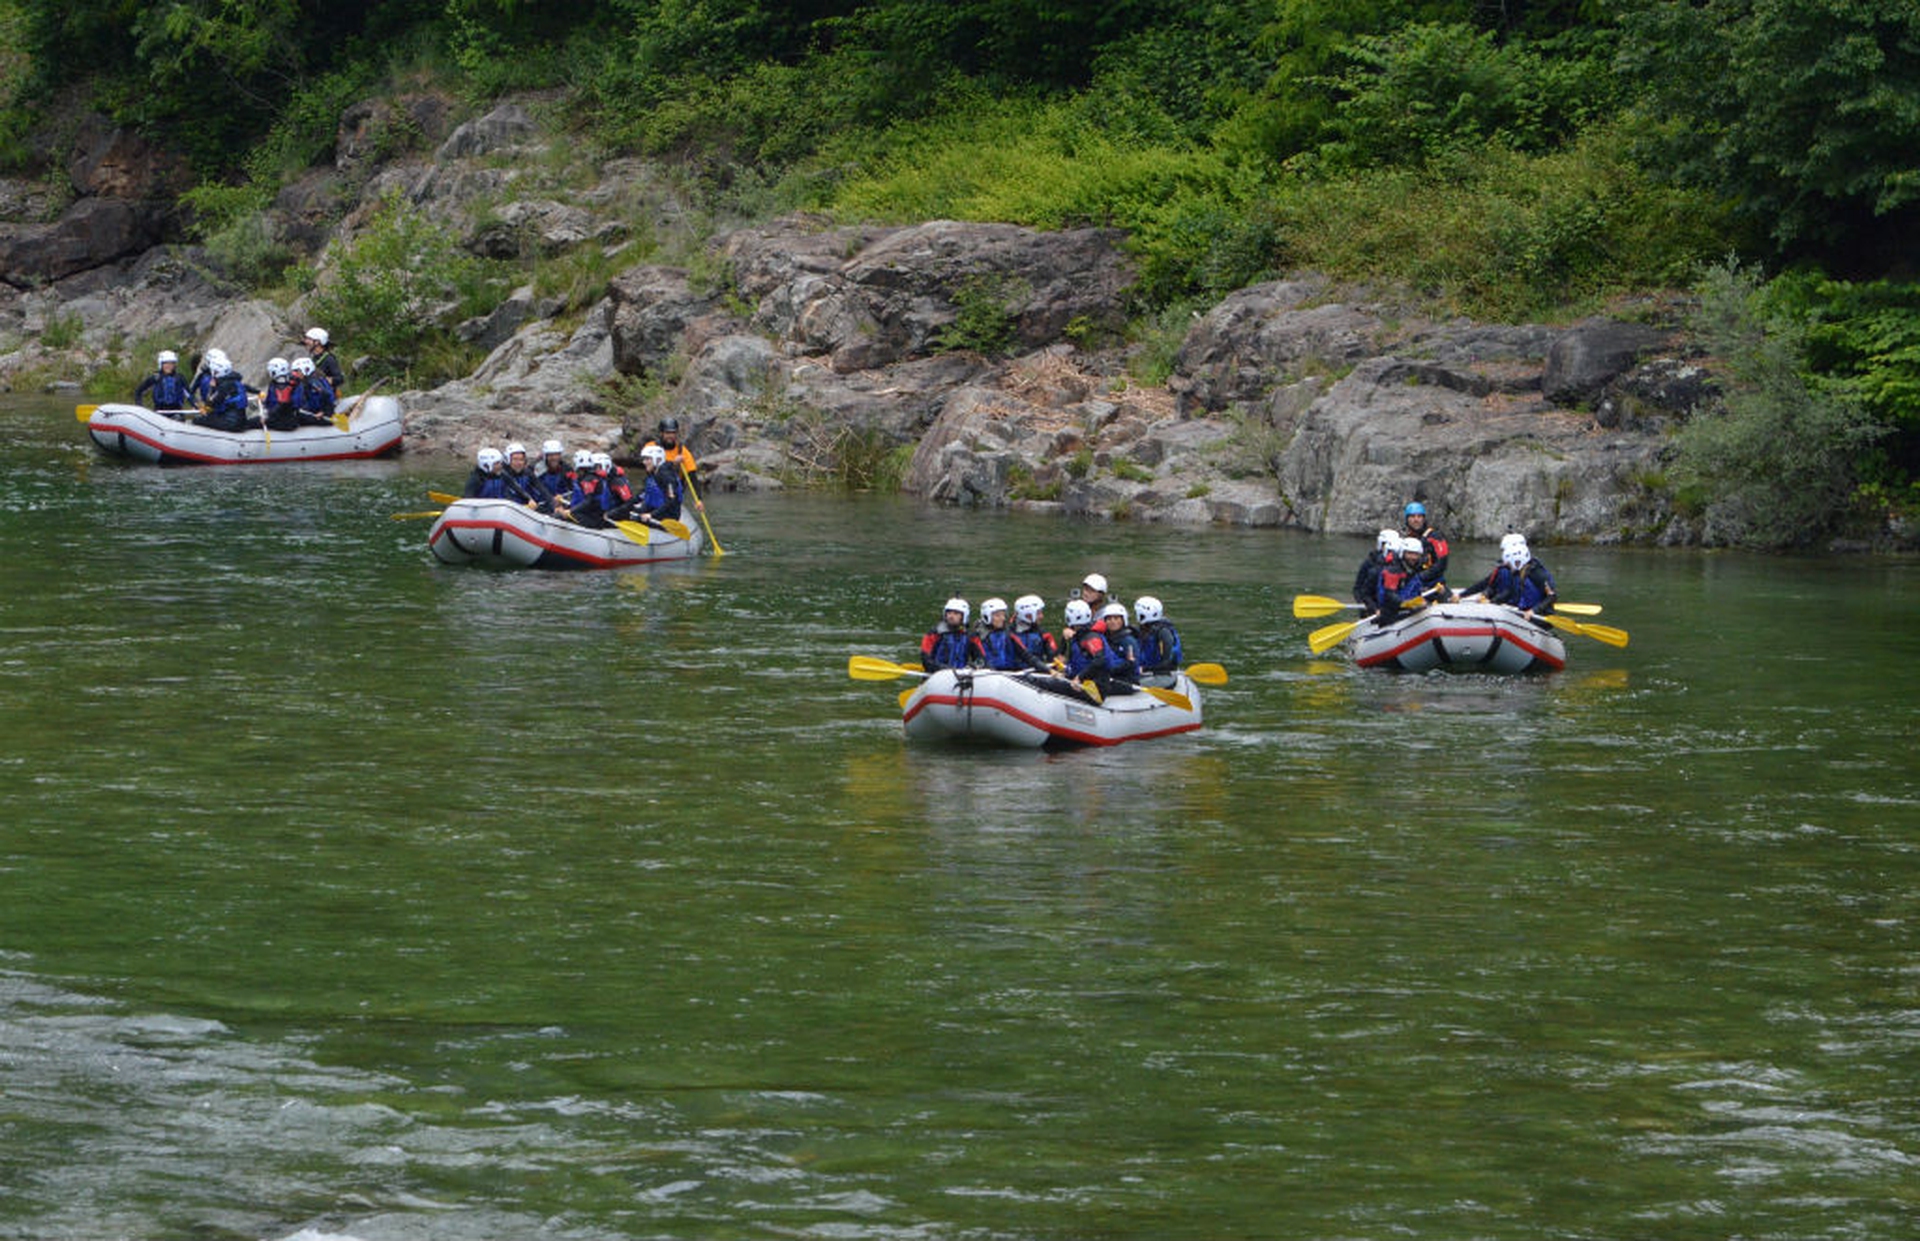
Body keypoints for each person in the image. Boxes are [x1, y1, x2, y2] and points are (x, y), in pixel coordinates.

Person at [1460, 534, 1558, 614]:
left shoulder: (1538, 573)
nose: (1506, 564)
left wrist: (1534, 611)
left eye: (1509, 563)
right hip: (1523, 609)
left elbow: (1552, 596)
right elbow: (1509, 592)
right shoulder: (1517, 573)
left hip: (1538, 613)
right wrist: (1491, 601)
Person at [644, 417, 703, 512]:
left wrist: (698, 499)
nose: (670, 436)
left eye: (673, 433)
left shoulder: (683, 452)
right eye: (667, 433)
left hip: (673, 492)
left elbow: (692, 478)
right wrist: (673, 463)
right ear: (661, 433)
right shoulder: (651, 447)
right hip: (655, 490)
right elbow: (648, 469)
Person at [976, 597, 1048, 672]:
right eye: (998, 615)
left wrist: (1048, 670)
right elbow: (981, 658)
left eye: (1003, 615)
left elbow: (1026, 655)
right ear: (987, 616)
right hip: (990, 674)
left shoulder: (1010, 634)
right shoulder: (976, 637)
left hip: (1011, 673)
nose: (1003, 618)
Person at [1374, 535, 1435, 621]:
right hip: (1391, 611)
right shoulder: (1393, 570)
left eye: (1416, 554)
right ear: (1402, 553)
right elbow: (1390, 594)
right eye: (1409, 553)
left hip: (1410, 609)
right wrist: (1406, 604)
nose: (1413, 557)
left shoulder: (1416, 570)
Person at [189, 349, 249, 431]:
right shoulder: (231, 380)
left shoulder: (222, 382)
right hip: (224, 412)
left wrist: (206, 407)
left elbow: (214, 399)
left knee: (197, 421)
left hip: (224, 414)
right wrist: (196, 405)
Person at [921, 598, 981, 671]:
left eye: (956, 613)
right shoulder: (934, 634)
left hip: (962, 676)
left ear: (963, 616)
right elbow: (926, 660)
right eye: (949, 613)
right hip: (937, 675)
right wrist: (943, 668)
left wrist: (974, 666)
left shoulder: (971, 636)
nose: (951, 616)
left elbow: (981, 659)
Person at [1401, 501, 1451, 589]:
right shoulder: (1405, 539)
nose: (1416, 520)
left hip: (1433, 583)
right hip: (1413, 580)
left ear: (1423, 519)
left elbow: (1442, 564)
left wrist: (1421, 577)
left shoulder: (1435, 537)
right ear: (1407, 519)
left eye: (1419, 517)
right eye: (1412, 517)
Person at [1133, 595, 1183, 679]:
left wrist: (1145, 669)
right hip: (1148, 671)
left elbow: (1167, 663)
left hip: (1161, 675)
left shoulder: (1163, 633)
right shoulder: (1143, 630)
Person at [1098, 602, 1142, 692]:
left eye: (1116, 618)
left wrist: (1109, 670)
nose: (1112, 621)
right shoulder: (1104, 638)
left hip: (1128, 680)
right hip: (1113, 677)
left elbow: (1132, 665)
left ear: (1123, 620)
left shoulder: (1128, 641)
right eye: (1109, 619)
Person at [133, 350, 192, 414]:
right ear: (161, 364)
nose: (169, 366)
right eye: (166, 363)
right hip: (160, 412)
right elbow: (138, 391)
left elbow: (189, 395)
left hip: (177, 411)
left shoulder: (180, 378)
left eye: (171, 363)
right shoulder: (155, 378)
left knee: (178, 418)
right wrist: (140, 406)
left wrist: (198, 406)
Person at [558, 449, 607, 526]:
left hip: (594, 519)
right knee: (562, 511)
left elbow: (588, 501)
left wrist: (571, 511)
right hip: (594, 515)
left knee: (559, 516)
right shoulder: (590, 477)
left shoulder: (587, 480)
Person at [1011, 594, 1061, 667]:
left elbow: (1054, 658)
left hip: (1036, 673)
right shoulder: (1008, 633)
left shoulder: (1044, 635)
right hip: (1010, 674)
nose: (1042, 616)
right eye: (1038, 613)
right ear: (1027, 615)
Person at [1354, 528, 1400, 606]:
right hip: (1372, 602)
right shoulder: (1369, 563)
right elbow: (1358, 588)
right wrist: (1365, 603)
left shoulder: (1400, 564)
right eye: (1384, 544)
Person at [288, 355, 336, 426]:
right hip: (310, 411)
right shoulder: (305, 381)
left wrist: (323, 412)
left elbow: (327, 396)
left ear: (305, 370)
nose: (295, 374)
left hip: (320, 415)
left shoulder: (314, 382)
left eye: (297, 371)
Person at [259, 357, 302, 431]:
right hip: (278, 416)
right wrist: (264, 404)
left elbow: (285, 405)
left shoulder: (288, 385)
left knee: (253, 423)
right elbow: (271, 401)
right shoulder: (274, 383)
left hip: (286, 421)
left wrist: (268, 419)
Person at [303, 327, 347, 394]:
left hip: (324, 397)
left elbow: (340, 379)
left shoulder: (329, 359)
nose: (306, 341)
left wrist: (325, 380)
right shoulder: (314, 358)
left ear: (317, 342)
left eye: (309, 339)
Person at [500, 442, 545, 506]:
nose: (519, 463)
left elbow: (541, 491)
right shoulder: (501, 477)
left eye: (521, 460)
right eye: (515, 459)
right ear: (508, 460)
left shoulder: (528, 474)